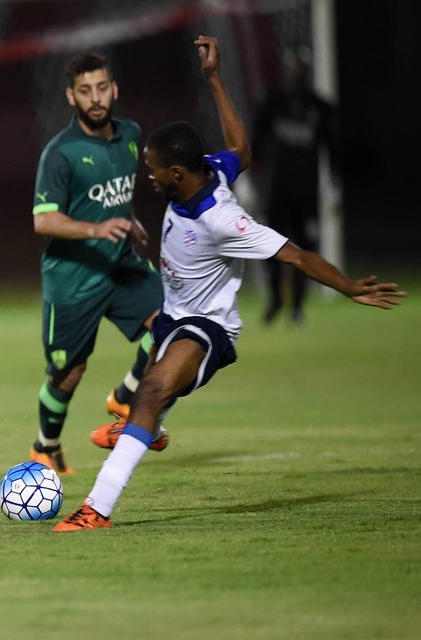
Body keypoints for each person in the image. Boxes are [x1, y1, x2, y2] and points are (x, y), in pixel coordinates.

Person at [53, 36, 404, 532]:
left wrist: (347, 286)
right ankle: (146, 429)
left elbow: (294, 254)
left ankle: (97, 509)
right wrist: (215, 79)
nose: (148, 177)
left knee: (150, 389)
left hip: (207, 327)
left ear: (176, 172)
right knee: (145, 400)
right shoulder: (211, 169)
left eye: (153, 170)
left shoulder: (224, 220)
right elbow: (241, 148)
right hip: (175, 315)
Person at [29, 51, 164, 476]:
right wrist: (97, 228)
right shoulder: (61, 153)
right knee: (68, 374)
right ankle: (45, 445)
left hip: (121, 265)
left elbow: (110, 196)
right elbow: (43, 219)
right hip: (74, 280)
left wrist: (130, 221)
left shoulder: (130, 135)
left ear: (114, 89)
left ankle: (125, 397)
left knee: (172, 321)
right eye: (85, 91)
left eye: (102, 88)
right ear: (72, 97)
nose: (96, 97)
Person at [253, 46, 339, 325]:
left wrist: (334, 184)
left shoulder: (321, 107)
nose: (298, 71)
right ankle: (275, 298)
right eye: (294, 65)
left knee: (304, 248)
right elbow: (255, 143)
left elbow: (333, 149)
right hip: (276, 190)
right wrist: (246, 178)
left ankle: (298, 306)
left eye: (303, 65)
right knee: (270, 247)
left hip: (306, 192)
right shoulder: (272, 101)